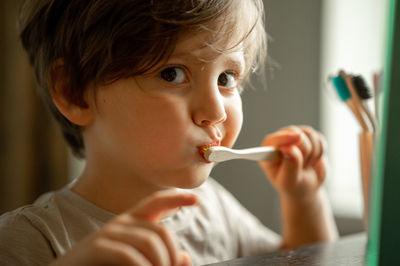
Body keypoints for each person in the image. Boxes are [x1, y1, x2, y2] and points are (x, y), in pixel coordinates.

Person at [0, 0, 338, 265]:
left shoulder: (213, 208)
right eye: (173, 74)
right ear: (75, 91)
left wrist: (304, 199)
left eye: (226, 79)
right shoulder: (29, 240)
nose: (215, 112)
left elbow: (298, 260)